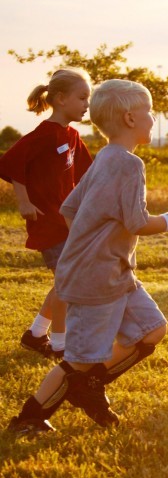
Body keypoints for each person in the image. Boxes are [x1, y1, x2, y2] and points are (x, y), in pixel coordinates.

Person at [6, 79, 168, 434]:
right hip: (96, 277)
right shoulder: (128, 165)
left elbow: (69, 208)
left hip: (117, 272)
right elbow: (138, 222)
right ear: (130, 118)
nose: (153, 118)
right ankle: (29, 419)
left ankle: (88, 387)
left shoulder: (106, 158)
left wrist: (90, 241)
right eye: (149, 112)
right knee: (80, 361)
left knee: (152, 330)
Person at [0, 68, 94, 360]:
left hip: (67, 223)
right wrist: (23, 201)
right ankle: (59, 346)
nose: (87, 104)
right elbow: (12, 162)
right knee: (68, 283)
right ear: (62, 99)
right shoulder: (44, 134)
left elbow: (90, 174)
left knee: (66, 281)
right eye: (82, 98)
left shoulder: (72, 135)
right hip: (47, 222)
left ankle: (36, 334)